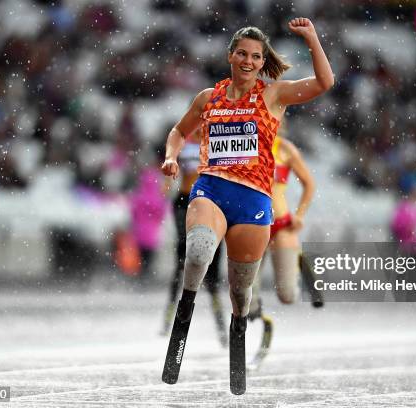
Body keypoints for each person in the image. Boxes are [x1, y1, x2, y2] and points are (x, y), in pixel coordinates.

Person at [160, 17, 333, 395]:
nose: (249, 61)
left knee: (241, 292)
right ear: (230, 56)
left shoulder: (273, 96)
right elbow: (178, 131)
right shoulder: (209, 98)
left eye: (256, 56)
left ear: (261, 61)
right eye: (242, 53)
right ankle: (184, 317)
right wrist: (172, 156)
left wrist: (312, 39)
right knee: (199, 251)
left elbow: (324, 83)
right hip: (211, 190)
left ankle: (240, 326)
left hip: (254, 203)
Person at [247, 130, 322, 368]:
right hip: (252, 226)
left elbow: (309, 183)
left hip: (281, 226)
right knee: (246, 302)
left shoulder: (285, 149)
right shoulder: (244, 145)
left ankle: (301, 260)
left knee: (288, 295)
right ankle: (261, 321)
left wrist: (300, 215)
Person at [161, 128, 228, 347]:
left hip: (211, 201)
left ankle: (220, 322)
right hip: (185, 200)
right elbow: (170, 168)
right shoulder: (185, 142)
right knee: (183, 255)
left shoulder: (217, 141)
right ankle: (170, 318)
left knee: (212, 263)